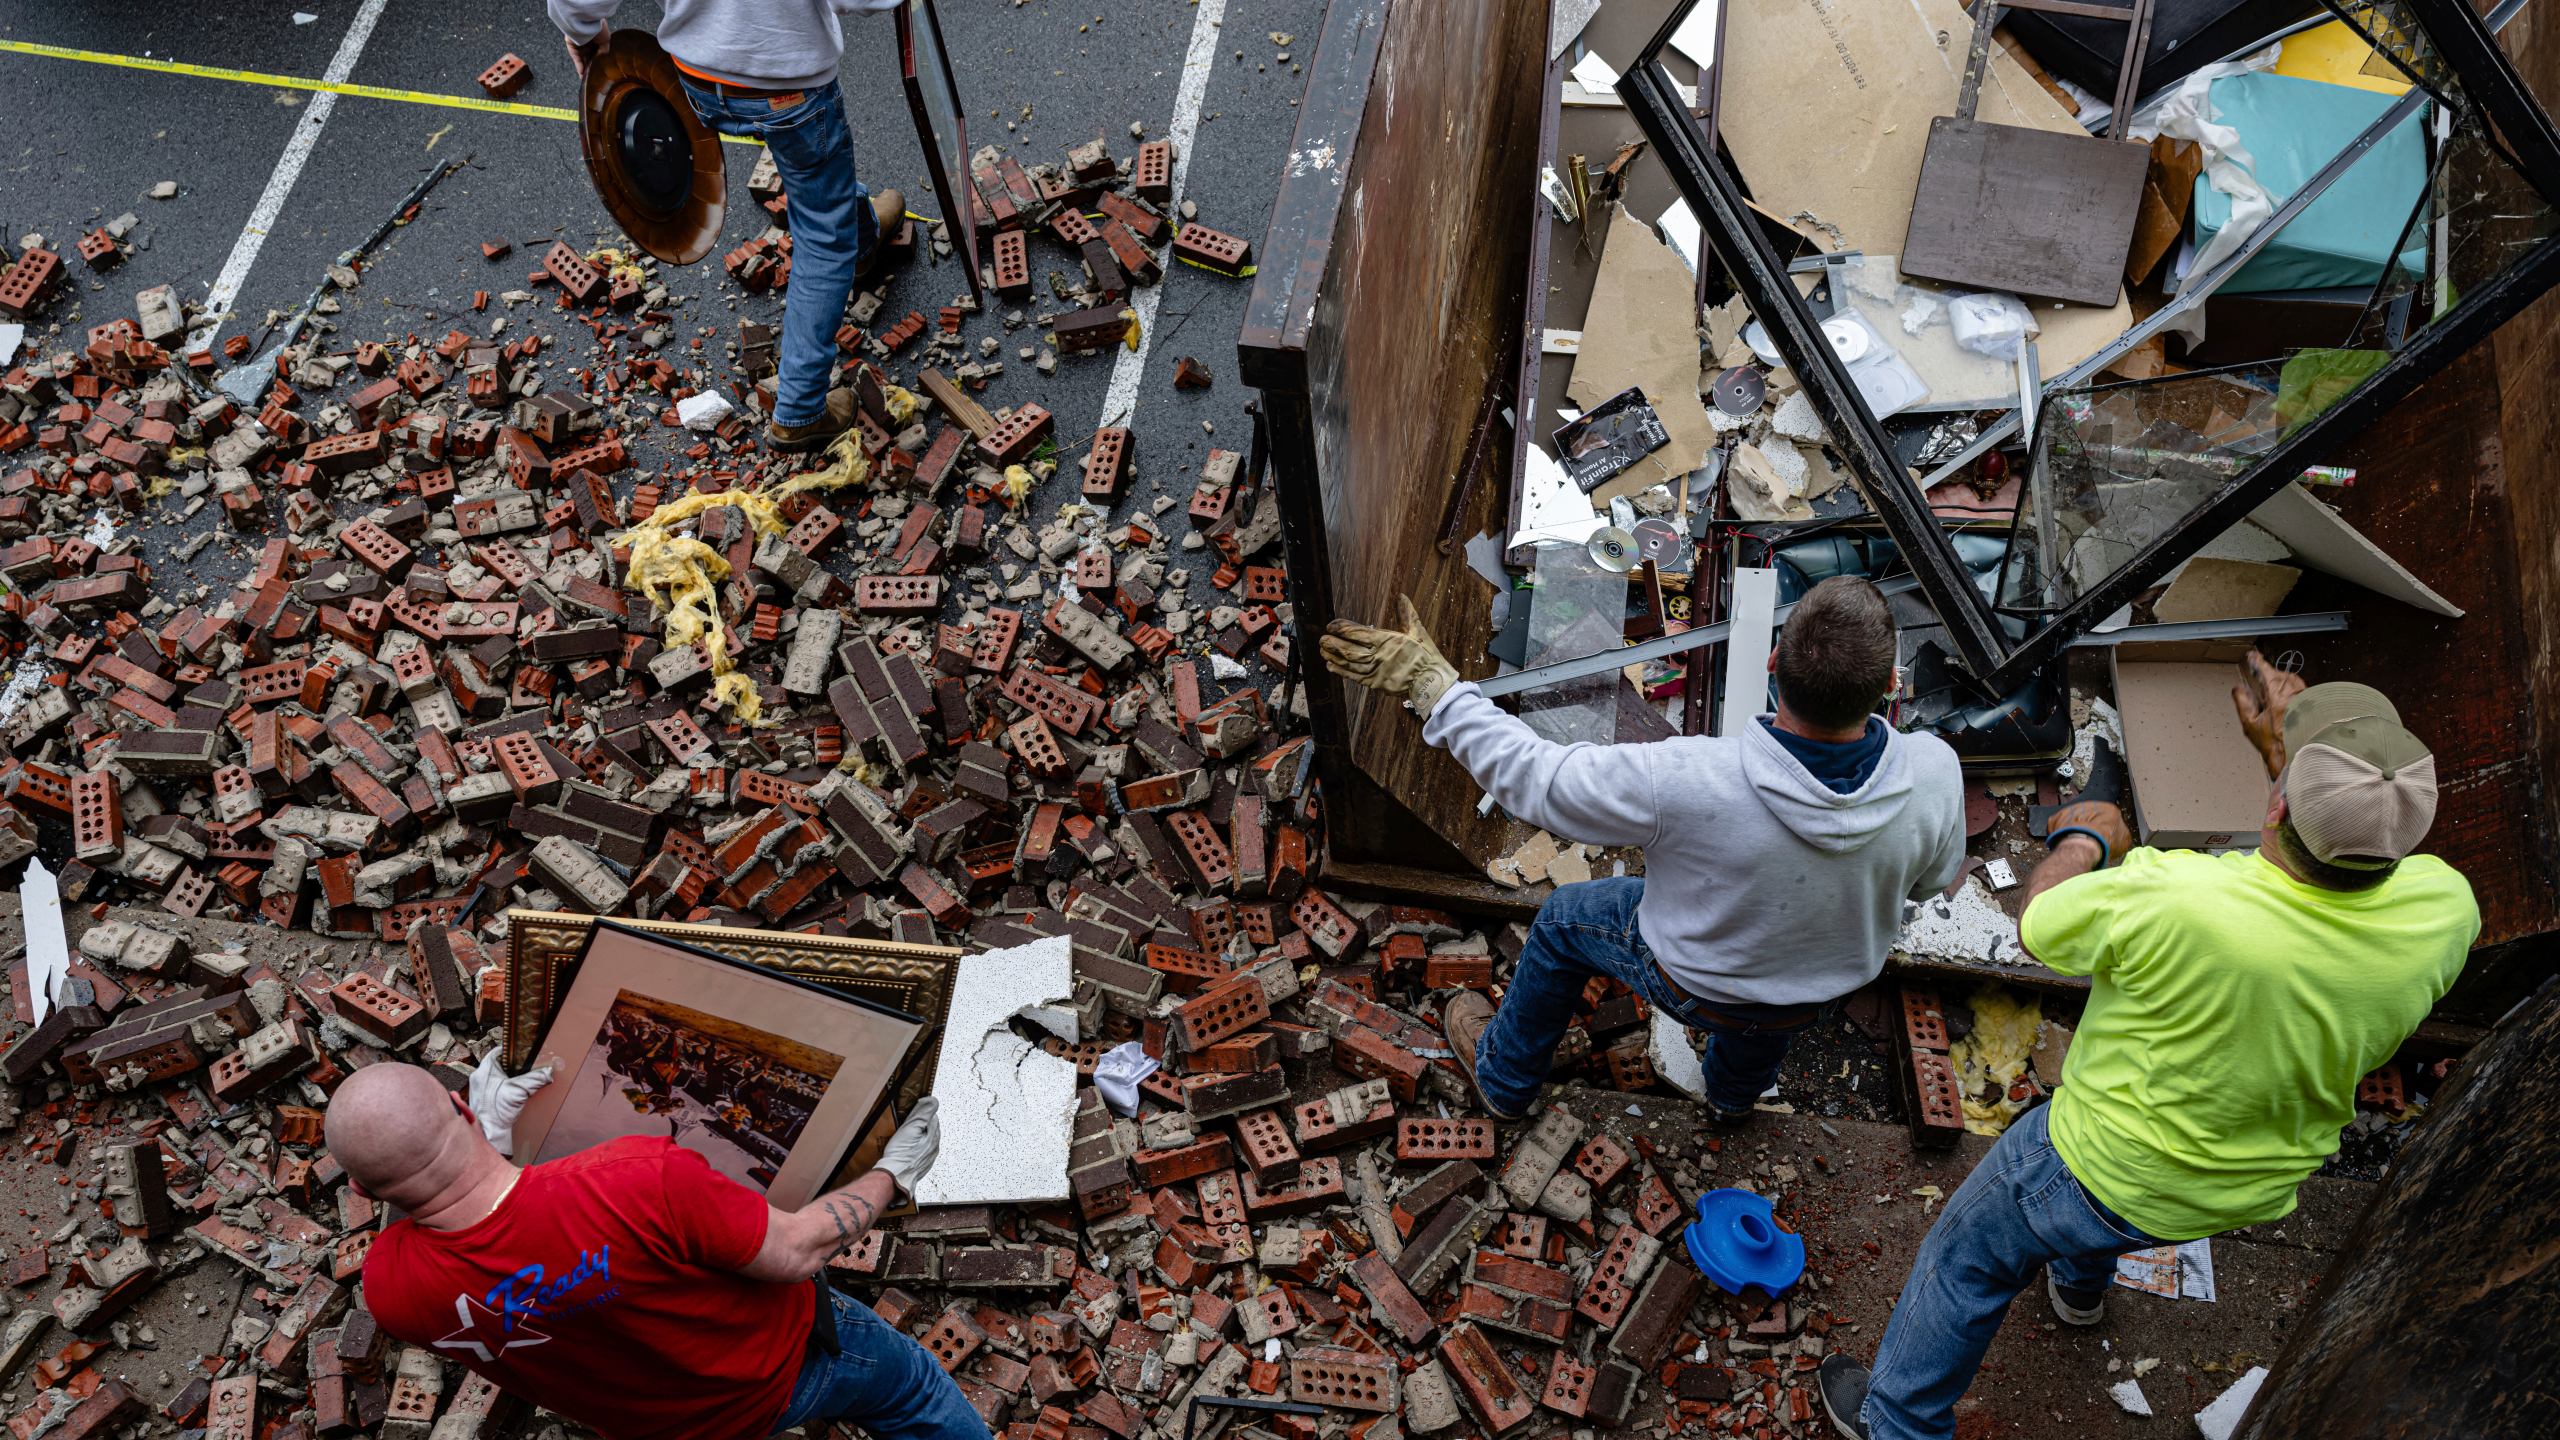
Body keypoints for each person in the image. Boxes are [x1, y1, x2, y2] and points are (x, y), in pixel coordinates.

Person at [1816, 653, 2480, 1440]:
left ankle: (1895, 1421)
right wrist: (2291, 768)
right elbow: (2325, 859)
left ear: (2275, 809)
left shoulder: (2177, 897)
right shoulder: (2446, 906)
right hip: (2244, 1183)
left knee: (1967, 1262)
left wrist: (2083, 846)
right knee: (2108, 1219)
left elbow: (2039, 925)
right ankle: (2078, 1294)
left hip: (2096, 1164)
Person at [1320, 576, 1966, 1122]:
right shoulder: (1935, 772)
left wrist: (1435, 686)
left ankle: (1505, 1079)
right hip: (1809, 996)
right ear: (1890, 683)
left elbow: (1536, 782)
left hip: (1692, 983)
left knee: (1563, 922)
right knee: (1766, 1021)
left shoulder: (1690, 776)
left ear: (1773, 663)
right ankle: (1732, 1101)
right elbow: (1930, 885)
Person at [329, 1061, 977, 1440]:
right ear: (461, 1108)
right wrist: (892, 1175)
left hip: (663, 1426)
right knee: (913, 1390)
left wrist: (494, 1142)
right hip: (783, 1374)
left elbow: (436, 1214)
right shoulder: (640, 1180)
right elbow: (799, 1251)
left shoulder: (389, 1289)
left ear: (359, 1188)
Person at [550, 0, 908, 453]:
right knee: (822, 232)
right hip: (789, 86)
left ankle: (863, 233)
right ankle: (800, 413)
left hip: (697, 75)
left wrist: (581, 31)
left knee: (816, 180)